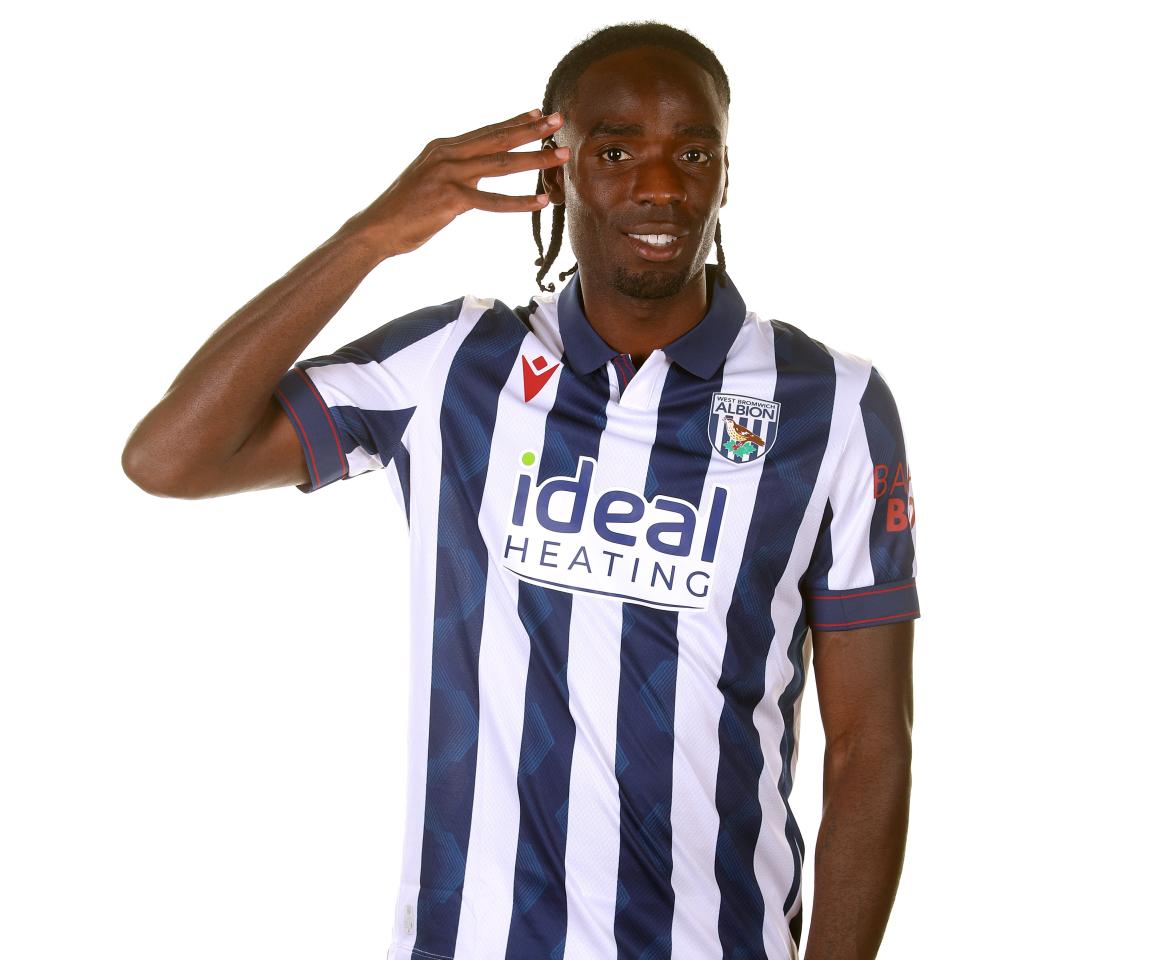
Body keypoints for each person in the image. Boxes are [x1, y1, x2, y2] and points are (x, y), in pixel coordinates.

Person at [121, 20, 919, 960]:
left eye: (693, 152)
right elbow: (170, 458)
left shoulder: (832, 404)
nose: (659, 184)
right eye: (614, 150)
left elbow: (871, 748)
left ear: (726, 177)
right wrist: (372, 236)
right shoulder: (455, 366)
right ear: (556, 171)